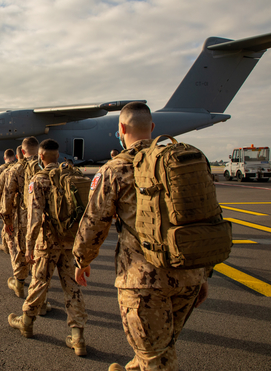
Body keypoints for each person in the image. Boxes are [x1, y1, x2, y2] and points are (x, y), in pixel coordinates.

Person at [73, 102, 210, 371]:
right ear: (153, 128)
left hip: (143, 281)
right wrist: (203, 273)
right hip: (189, 275)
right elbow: (205, 216)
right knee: (159, 347)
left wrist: (82, 259)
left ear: (121, 129)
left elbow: (94, 222)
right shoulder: (183, 161)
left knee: (156, 359)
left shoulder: (116, 169)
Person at [8, 139, 88, 357]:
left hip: (47, 242)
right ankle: (78, 336)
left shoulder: (39, 179)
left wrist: (29, 247)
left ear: (41, 157)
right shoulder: (70, 177)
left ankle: (26, 322)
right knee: (72, 287)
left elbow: (34, 217)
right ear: (58, 155)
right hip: (70, 242)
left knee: (40, 281)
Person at [0, 136, 40, 298]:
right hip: (45, 220)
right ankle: (40, 299)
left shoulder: (16, 169)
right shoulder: (49, 166)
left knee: (20, 249)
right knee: (40, 254)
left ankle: (19, 284)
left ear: (22, 152)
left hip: (24, 217)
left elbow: (8, 196)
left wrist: (6, 220)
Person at [0, 149, 17, 253]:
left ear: (4, 158)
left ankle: (7, 245)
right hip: (18, 202)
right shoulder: (19, 167)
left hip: (4, 202)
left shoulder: (0, 169)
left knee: (6, 223)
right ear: (14, 157)